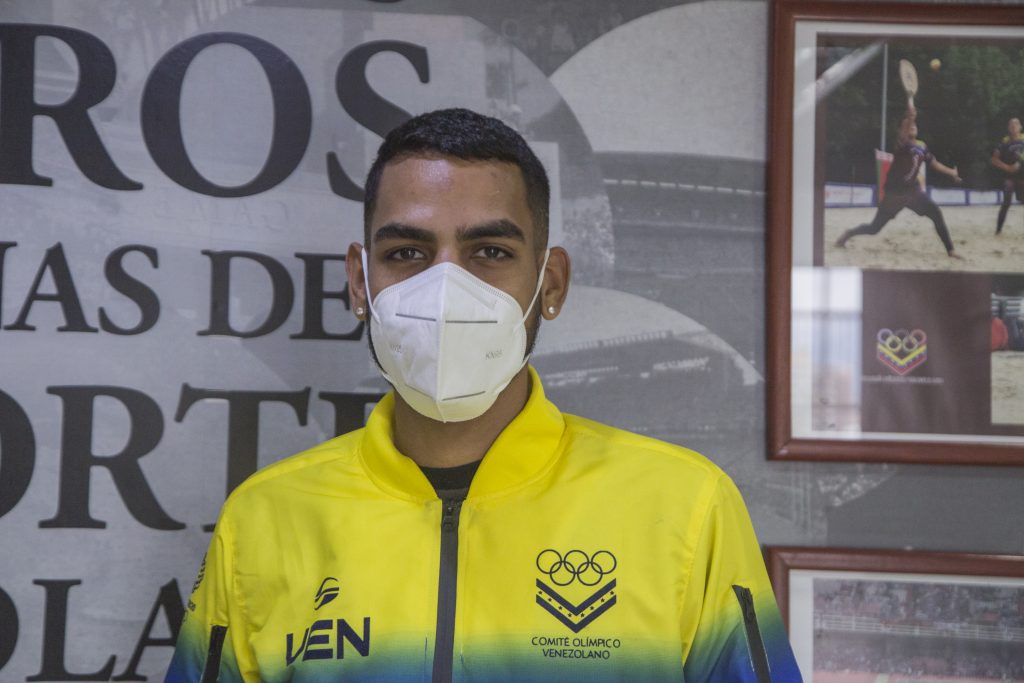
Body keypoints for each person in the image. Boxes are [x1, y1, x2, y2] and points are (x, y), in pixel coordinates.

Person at [165, 108, 802, 682]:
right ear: (360, 283)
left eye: (490, 251)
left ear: (550, 284)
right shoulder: (263, 522)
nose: (446, 289)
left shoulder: (687, 509)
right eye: (407, 252)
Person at [836, 105, 962, 258]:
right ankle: (848, 233)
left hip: (912, 191)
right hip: (894, 194)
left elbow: (935, 164)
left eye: (914, 125)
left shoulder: (922, 146)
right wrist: (910, 118)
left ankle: (950, 250)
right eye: (908, 125)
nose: (912, 126)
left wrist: (952, 172)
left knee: (936, 213)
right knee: (874, 228)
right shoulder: (902, 144)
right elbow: (904, 132)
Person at [990, 116, 1024, 235]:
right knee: (1006, 201)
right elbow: (994, 160)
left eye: (1016, 124)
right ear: (1008, 128)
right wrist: (1008, 168)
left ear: (1020, 127)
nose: (1014, 127)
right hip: (1010, 177)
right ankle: (998, 230)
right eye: (1011, 125)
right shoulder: (1004, 142)